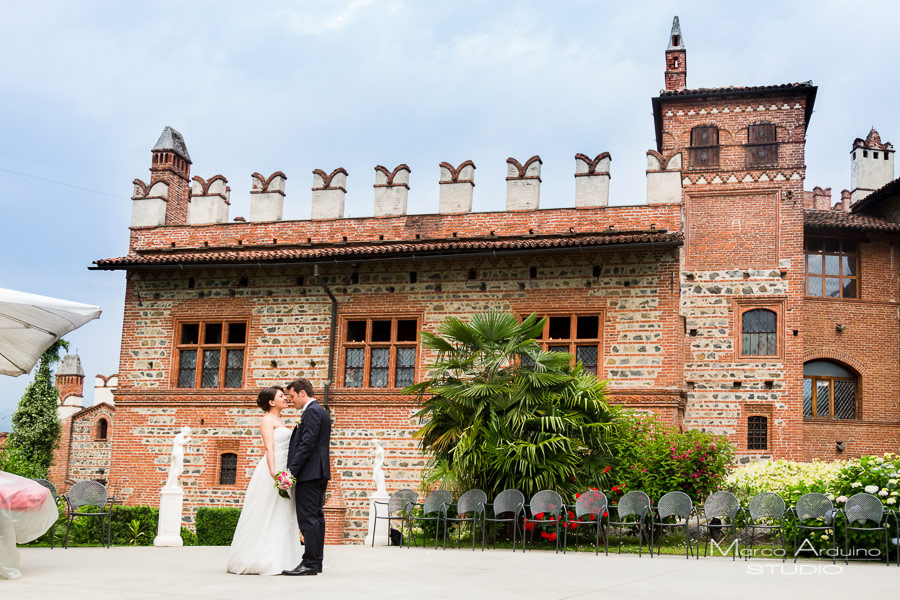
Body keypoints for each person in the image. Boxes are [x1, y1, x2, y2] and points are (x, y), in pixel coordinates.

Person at [226, 386, 303, 575]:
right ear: (271, 402)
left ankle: (280, 556)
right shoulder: (267, 420)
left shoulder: (278, 420)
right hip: (274, 469)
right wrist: (274, 474)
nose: (285, 398)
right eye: (281, 396)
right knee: (267, 511)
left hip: (284, 468)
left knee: (282, 513)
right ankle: (262, 557)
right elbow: (269, 448)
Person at [282, 377, 331, 576]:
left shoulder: (311, 412)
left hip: (309, 474)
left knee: (308, 519)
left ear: (303, 393)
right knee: (317, 517)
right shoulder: (320, 411)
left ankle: (309, 562)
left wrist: (291, 470)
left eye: (292, 396)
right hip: (318, 472)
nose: (291, 400)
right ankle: (316, 561)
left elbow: (307, 444)